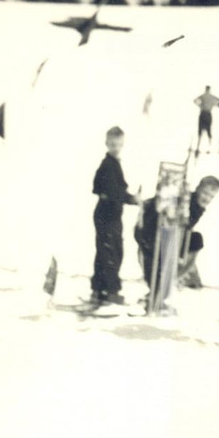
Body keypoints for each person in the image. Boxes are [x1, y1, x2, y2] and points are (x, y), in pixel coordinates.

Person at [136, 176, 219, 292]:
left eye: (211, 196)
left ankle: (185, 274)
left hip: (175, 236)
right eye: (205, 193)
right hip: (156, 233)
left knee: (195, 240)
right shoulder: (188, 201)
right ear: (198, 189)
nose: (207, 198)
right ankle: (178, 275)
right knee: (194, 240)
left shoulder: (198, 205)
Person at [90, 126, 140, 306]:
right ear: (106, 143)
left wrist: (127, 196)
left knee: (106, 251)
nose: (115, 147)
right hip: (107, 214)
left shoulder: (112, 163)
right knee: (111, 252)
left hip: (110, 214)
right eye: (112, 144)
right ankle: (110, 291)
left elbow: (107, 188)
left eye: (118, 144)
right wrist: (131, 199)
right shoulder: (108, 164)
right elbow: (110, 190)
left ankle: (99, 289)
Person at [194, 86, 219, 155]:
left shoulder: (203, 95)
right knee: (209, 130)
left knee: (200, 131)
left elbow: (195, 100)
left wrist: (200, 106)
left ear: (206, 89)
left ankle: (198, 147)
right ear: (210, 89)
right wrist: (213, 105)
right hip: (208, 114)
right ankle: (209, 148)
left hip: (203, 113)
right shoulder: (212, 96)